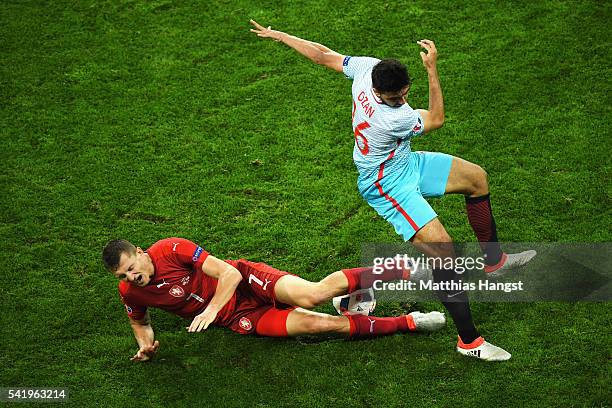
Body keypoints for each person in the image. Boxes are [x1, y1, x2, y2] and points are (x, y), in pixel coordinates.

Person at [250, 20, 536, 361]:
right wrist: (432, 70)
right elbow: (436, 119)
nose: (402, 99)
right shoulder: (395, 118)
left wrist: (280, 35)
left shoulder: (366, 69)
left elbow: (324, 56)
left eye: (404, 93)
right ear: (380, 92)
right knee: (445, 251)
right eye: (395, 97)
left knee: (476, 178)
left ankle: (494, 262)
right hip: (386, 183)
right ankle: (469, 342)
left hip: (405, 162)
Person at [102, 237, 445, 362]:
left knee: (313, 294)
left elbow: (229, 274)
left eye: (132, 268)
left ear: (141, 253)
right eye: (123, 276)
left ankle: (400, 270)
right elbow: (139, 321)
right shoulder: (131, 291)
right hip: (237, 318)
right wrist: (145, 345)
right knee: (316, 324)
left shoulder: (170, 249)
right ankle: (409, 322)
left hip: (247, 283)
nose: (131, 277)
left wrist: (210, 308)